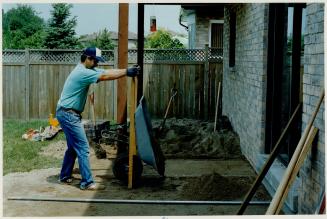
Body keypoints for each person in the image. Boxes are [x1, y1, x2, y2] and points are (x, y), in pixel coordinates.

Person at [56, 47, 139, 190]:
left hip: (66, 112)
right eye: (95, 61)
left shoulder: (85, 70)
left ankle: (64, 176)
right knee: (82, 147)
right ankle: (87, 183)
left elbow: (106, 72)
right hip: (68, 114)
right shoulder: (83, 72)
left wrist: (126, 70)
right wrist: (127, 72)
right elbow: (105, 76)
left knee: (73, 147)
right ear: (88, 59)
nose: (97, 64)